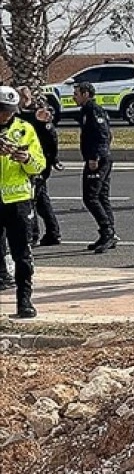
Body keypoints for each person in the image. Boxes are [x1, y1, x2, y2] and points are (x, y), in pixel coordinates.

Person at [0, 86, 47, 319]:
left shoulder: (25, 129)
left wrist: (26, 158)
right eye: (2, 111)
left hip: (18, 200)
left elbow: (40, 164)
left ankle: (24, 302)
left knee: (22, 254)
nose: (6, 116)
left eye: (9, 111)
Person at [74, 82, 117, 253]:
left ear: (86, 94)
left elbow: (103, 134)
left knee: (91, 197)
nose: (74, 97)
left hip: (98, 160)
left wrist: (95, 157)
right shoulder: (86, 111)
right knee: (101, 196)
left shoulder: (94, 110)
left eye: (76, 93)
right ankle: (108, 233)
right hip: (99, 157)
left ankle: (108, 231)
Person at [15, 87, 59, 247]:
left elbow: (51, 139)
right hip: (33, 163)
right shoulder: (25, 115)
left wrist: (53, 159)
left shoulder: (36, 116)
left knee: (31, 200)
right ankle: (53, 232)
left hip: (36, 163)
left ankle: (32, 235)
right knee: (41, 200)